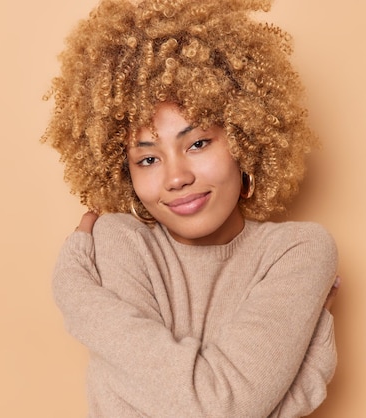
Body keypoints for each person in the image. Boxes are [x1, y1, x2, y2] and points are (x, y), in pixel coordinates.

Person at [43, 0, 341, 416]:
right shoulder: (122, 242)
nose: (176, 177)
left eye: (198, 143)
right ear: (124, 172)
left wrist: (77, 294)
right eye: (148, 159)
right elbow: (219, 409)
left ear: (244, 136)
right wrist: (302, 381)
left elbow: (209, 410)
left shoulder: (298, 251)